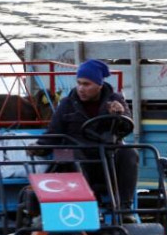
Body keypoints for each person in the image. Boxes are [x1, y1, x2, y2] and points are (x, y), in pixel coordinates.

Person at [36, 59, 139, 209]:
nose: (81, 88)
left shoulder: (115, 101)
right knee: (69, 155)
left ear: (99, 85)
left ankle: (124, 207)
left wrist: (119, 115)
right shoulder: (67, 103)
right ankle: (87, 205)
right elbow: (53, 132)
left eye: (86, 84)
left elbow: (126, 127)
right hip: (74, 153)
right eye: (79, 83)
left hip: (105, 155)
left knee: (129, 153)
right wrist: (40, 146)